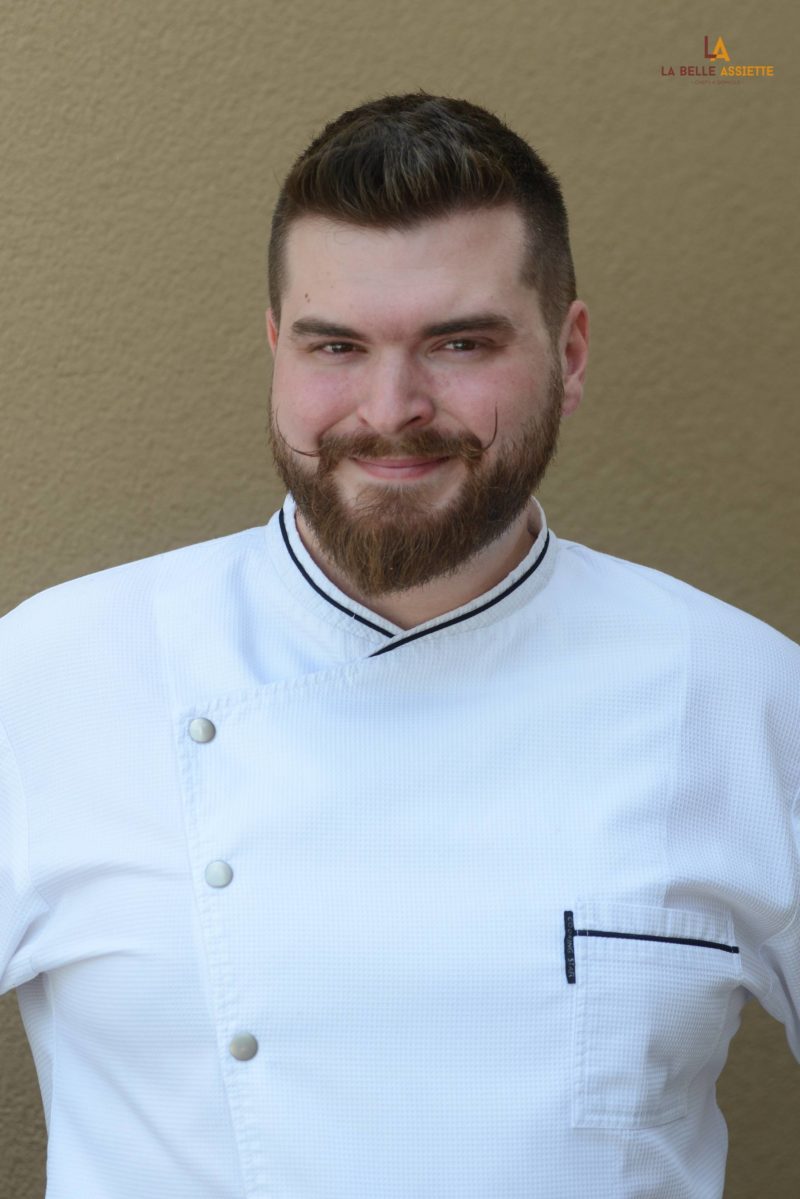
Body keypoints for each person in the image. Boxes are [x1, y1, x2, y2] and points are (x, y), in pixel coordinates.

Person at [0, 91, 797, 1199]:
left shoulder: (743, 693)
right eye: (336, 345)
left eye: (459, 343)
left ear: (568, 353)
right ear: (276, 348)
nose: (390, 408)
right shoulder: (53, 673)